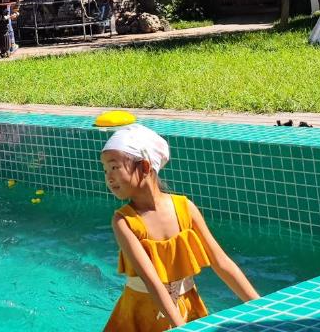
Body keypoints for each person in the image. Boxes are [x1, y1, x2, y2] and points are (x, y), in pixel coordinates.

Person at [101, 124, 259, 330]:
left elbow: (221, 262)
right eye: (105, 170)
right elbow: (152, 281)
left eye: (114, 167)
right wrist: (181, 328)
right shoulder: (124, 221)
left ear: (145, 167)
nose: (108, 177)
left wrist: (259, 307)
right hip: (140, 316)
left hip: (186, 307)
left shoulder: (185, 208)